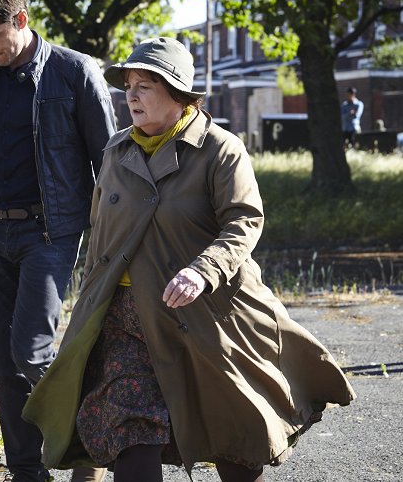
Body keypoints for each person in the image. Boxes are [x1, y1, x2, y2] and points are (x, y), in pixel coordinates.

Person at [23, 37, 356, 482]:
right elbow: (101, 238)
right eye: (128, 85)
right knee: (130, 434)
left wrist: (203, 271)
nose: (131, 96)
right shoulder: (116, 151)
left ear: (178, 94)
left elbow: (243, 222)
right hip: (124, 320)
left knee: (234, 440)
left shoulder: (220, 150)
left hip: (206, 317)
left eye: (145, 85)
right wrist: (87, 312)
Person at [0, 0, 116, 482]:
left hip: (51, 232)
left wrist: (113, 239)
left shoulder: (74, 72)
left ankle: (89, 446)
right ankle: (26, 473)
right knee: (2, 365)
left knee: (30, 350)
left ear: (21, 20)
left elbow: (109, 163)